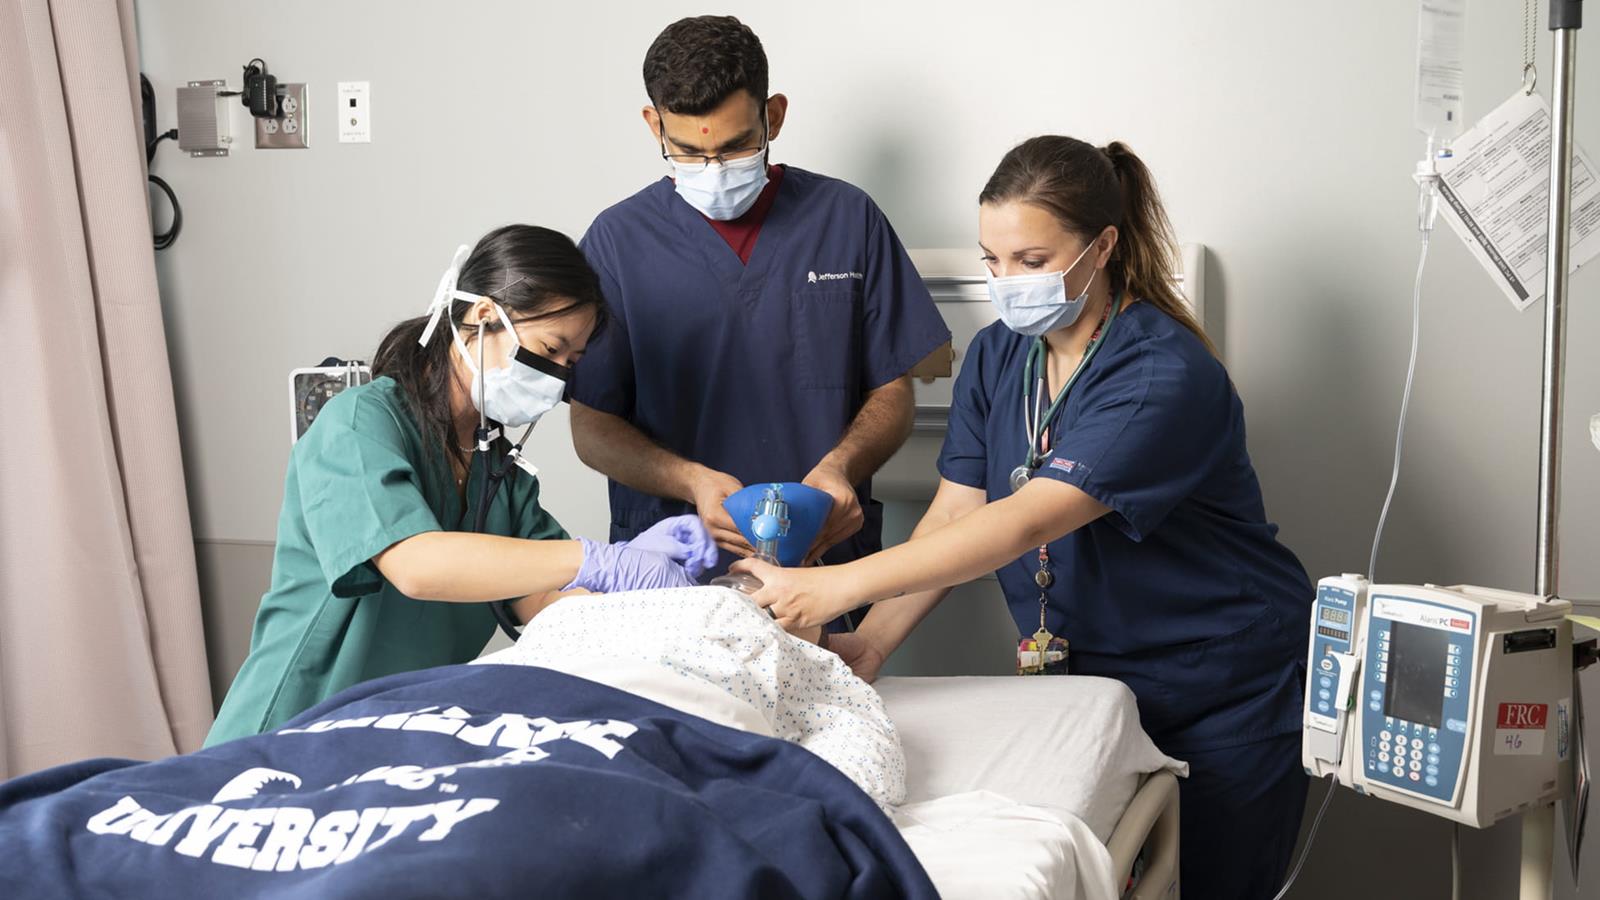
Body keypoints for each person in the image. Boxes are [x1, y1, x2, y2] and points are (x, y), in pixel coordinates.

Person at [734, 137, 1313, 898]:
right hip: (1090, 689)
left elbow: (1025, 523)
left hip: (1222, 689)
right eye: (993, 261)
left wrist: (828, 590)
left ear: (1102, 246)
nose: (1008, 283)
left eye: (1033, 261)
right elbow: (956, 512)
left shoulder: (1160, 374)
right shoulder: (1000, 356)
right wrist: (870, 640)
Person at [207, 225, 717, 746]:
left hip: (389, 735)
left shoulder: (499, 471)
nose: (559, 376)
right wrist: (595, 558)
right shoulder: (358, 424)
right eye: (551, 348)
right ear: (482, 317)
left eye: (571, 362)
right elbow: (418, 566)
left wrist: (638, 582)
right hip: (290, 728)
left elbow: (546, 604)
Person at [569, 15, 950, 587]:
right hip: (675, 565)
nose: (715, 170)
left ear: (773, 116)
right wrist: (690, 481)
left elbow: (891, 391)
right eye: (690, 154)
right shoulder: (617, 242)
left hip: (824, 562)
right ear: (655, 125)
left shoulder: (847, 220)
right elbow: (592, 426)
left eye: (736, 146)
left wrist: (840, 469)